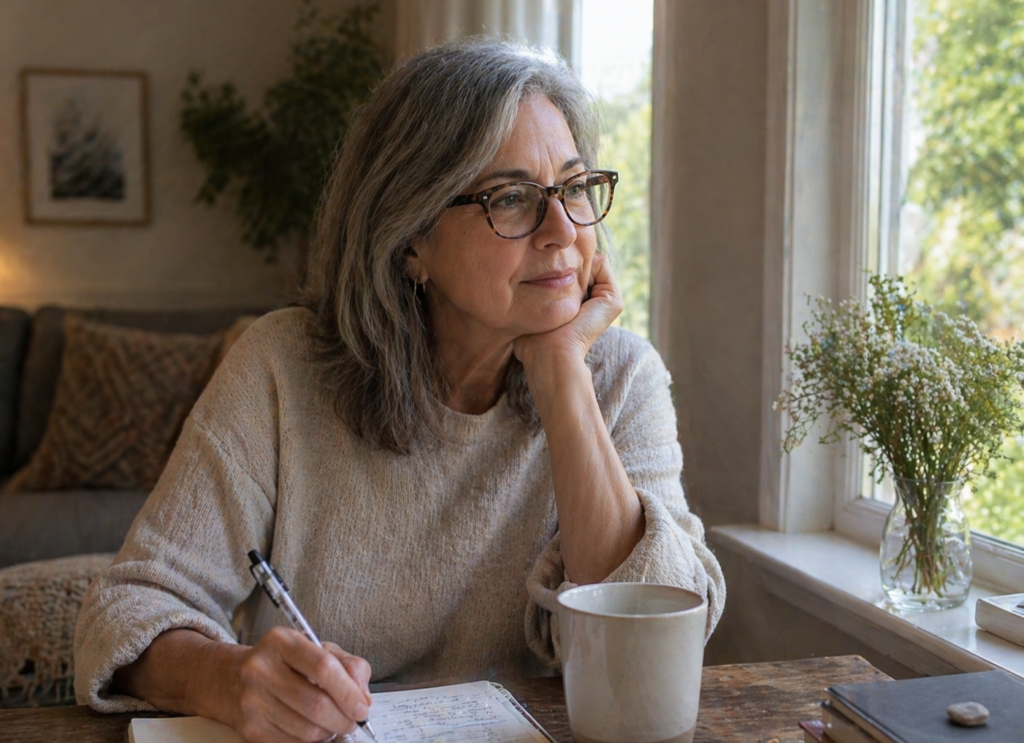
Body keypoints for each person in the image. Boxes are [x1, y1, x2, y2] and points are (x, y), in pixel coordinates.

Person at [74, 39, 725, 743]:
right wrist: (228, 678)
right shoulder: (281, 368)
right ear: (411, 239)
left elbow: (657, 622)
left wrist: (562, 371)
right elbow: (126, 608)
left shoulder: (620, 375)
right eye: (511, 198)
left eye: (573, 187)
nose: (563, 230)